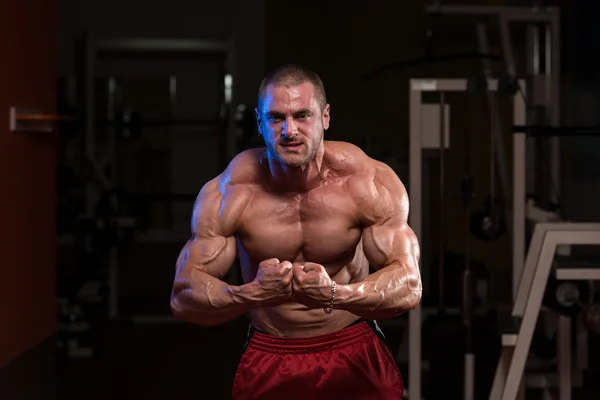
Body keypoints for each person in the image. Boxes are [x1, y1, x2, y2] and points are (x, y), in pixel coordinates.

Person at [170, 64, 422, 400]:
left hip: (353, 347)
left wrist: (335, 294)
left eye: (302, 115)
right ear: (259, 122)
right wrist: (253, 294)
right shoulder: (231, 191)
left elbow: (409, 286)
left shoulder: (367, 183)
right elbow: (183, 297)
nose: (290, 130)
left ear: (325, 117)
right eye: (276, 118)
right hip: (272, 353)